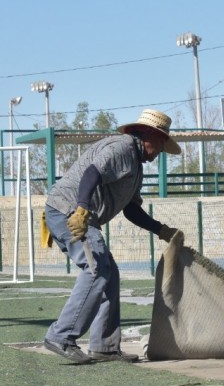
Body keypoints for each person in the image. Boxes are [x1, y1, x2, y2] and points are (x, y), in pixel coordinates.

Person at [43, 109, 182, 364]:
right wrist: (83, 208)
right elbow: (92, 173)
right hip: (69, 210)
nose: (162, 151)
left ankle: (104, 346)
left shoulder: (136, 165)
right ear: (150, 135)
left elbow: (131, 208)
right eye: (162, 144)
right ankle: (60, 337)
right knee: (96, 269)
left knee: (110, 274)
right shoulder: (123, 147)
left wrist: (160, 229)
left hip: (79, 212)